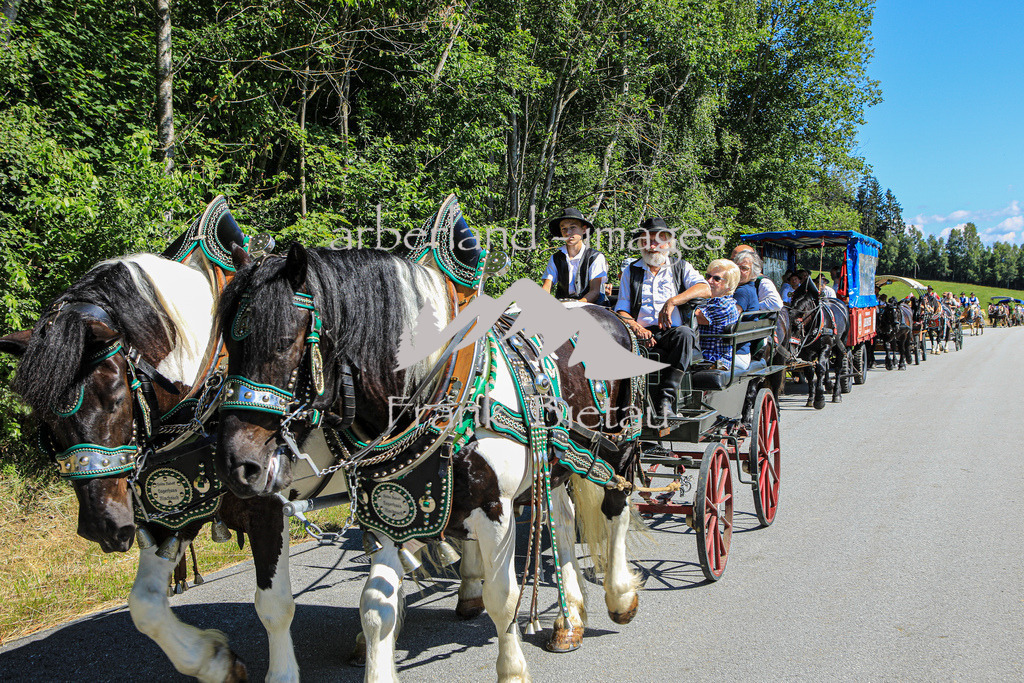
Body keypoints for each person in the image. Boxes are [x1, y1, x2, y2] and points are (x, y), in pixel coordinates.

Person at [614, 217, 711, 417]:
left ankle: (666, 400)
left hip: (671, 333)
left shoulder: (680, 266)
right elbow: (621, 309)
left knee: (685, 334)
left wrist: (673, 301)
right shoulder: (631, 271)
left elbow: (705, 288)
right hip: (639, 334)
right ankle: (621, 405)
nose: (651, 246)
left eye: (657, 240)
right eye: (646, 240)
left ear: (668, 242)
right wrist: (637, 328)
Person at [541, 207, 608, 304]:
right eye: (564, 229)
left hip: (591, 306)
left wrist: (574, 306)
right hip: (563, 305)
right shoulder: (556, 258)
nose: (568, 233)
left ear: (584, 230)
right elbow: (547, 286)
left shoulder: (595, 257)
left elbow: (594, 292)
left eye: (573, 227)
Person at [697, 259, 747, 371]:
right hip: (703, 357)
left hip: (712, 360)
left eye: (716, 279)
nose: (709, 281)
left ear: (728, 286)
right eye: (708, 276)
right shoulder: (715, 301)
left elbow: (692, 316)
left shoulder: (723, 305)